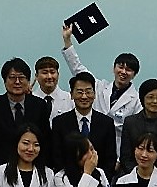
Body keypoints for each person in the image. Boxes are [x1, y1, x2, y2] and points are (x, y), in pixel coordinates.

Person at [61, 24, 142, 156]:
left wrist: (120, 160)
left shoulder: (137, 101)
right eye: (120, 67)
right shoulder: (98, 87)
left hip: (116, 151)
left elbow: (135, 132)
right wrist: (67, 40)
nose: (123, 72)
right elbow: (77, 68)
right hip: (90, 142)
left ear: (134, 74)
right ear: (113, 68)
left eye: (128, 70)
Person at [0, 58, 52, 171]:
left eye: (21, 77)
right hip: (1, 169)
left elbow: (46, 141)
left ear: (28, 81)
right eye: (12, 78)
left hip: (33, 168)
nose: (17, 82)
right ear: (4, 81)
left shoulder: (39, 105)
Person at [50, 72, 118, 174]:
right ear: (71, 94)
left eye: (88, 92)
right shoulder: (59, 122)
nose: (84, 96)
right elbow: (57, 157)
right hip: (67, 179)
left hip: (99, 179)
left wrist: (100, 179)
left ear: (94, 94)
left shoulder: (106, 122)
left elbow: (110, 158)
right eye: (80, 92)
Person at [119, 79, 157, 174]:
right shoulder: (130, 122)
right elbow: (125, 157)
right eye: (150, 97)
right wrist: (138, 175)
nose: (155, 101)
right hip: (133, 176)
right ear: (142, 98)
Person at [32, 56, 74, 125]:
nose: (49, 76)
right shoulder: (30, 99)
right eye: (45, 73)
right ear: (36, 76)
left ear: (58, 74)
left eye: (52, 72)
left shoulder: (69, 98)